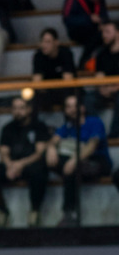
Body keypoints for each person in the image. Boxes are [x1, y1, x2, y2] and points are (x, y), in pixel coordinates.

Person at [0, 96, 50, 227]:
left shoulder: (38, 126)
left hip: (29, 164)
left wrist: (20, 164)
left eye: (21, 108)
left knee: (40, 171)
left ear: (29, 109)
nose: (18, 111)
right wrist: (9, 165)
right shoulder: (8, 128)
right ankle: (3, 211)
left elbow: (40, 152)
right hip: (11, 166)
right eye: (14, 108)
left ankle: (34, 211)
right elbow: (3, 151)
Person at [45, 94, 112, 226]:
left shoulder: (94, 122)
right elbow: (53, 141)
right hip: (75, 164)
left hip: (97, 161)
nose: (72, 109)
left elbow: (92, 146)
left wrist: (74, 160)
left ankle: (69, 213)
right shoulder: (67, 126)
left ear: (82, 108)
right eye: (68, 106)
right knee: (47, 159)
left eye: (75, 106)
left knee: (71, 169)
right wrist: (51, 148)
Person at [63, 0, 110, 68]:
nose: (97, 0)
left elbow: (104, 15)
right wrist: (88, 19)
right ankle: (83, 63)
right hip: (77, 30)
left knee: (107, 34)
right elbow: (67, 18)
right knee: (96, 37)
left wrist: (103, 23)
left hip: (95, 30)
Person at [32, 28, 76, 111]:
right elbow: (36, 82)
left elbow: (68, 81)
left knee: (70, 96)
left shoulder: (65, 53)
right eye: (42, 42)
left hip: (64, 91)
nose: (44, 45)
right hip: (46, 93)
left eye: (48, 42)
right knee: (34, 97)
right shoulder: (38, 56)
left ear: (56, 42)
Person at [92, 21, 119, 138]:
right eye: (103, 32)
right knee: (88, 99)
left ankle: (114, 134)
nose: (104, 35)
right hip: (106, 90)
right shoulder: (102, 53)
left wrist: (113, 88)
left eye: (107, 32)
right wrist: (103, 88)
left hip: (117, 90)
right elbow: (99, 76)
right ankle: (95, 134)